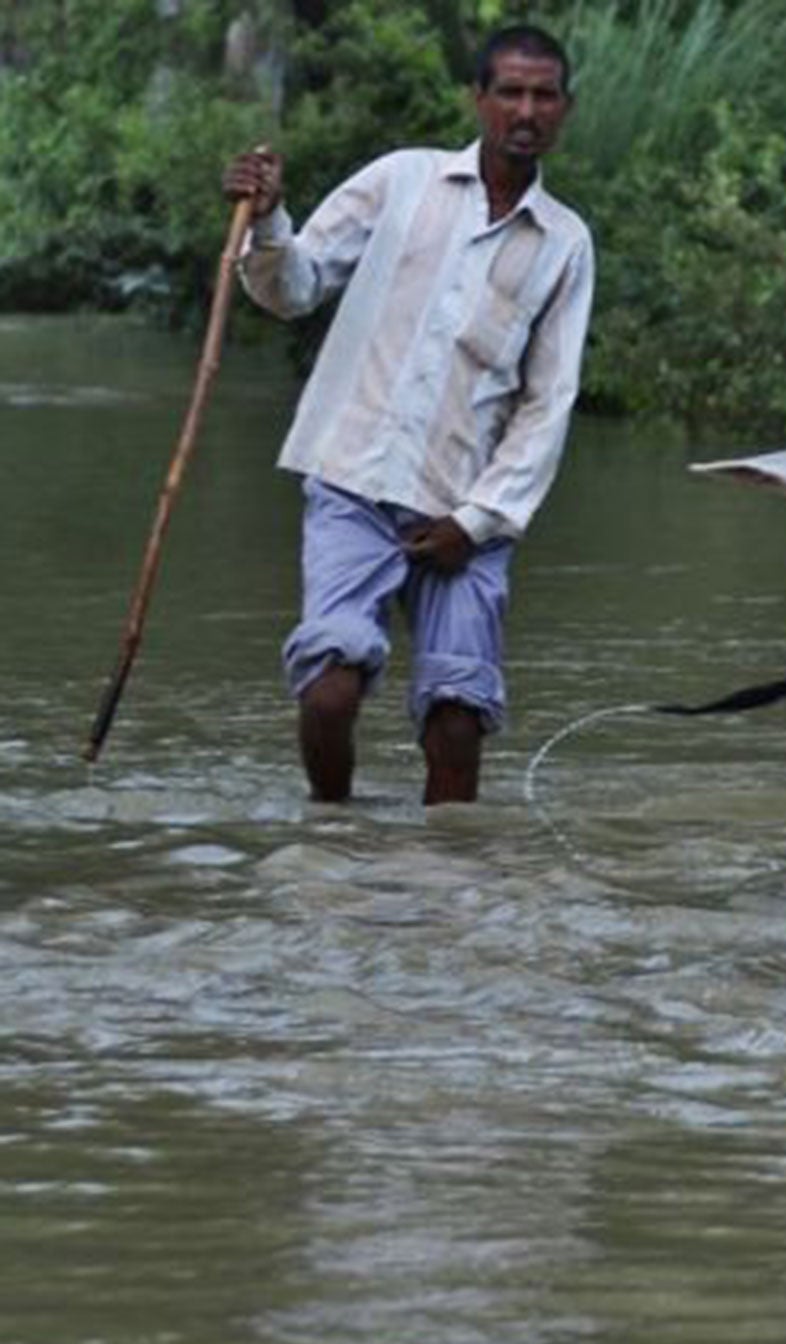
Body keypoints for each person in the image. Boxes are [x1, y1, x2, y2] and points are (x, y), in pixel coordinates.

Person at [222, 23, 593, 804]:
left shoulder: (565, 243)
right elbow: (294, 287)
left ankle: (443, 891)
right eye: (511, 93)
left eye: (543, 95)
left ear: (564, 108)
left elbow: (546, 404)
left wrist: (479, 521)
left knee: (456, 721)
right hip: (353, 480)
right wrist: (267, 221)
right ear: (479, 100)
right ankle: (334, 831)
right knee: (328, 692)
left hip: (463, 509)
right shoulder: (402, 181)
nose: (526, 110)